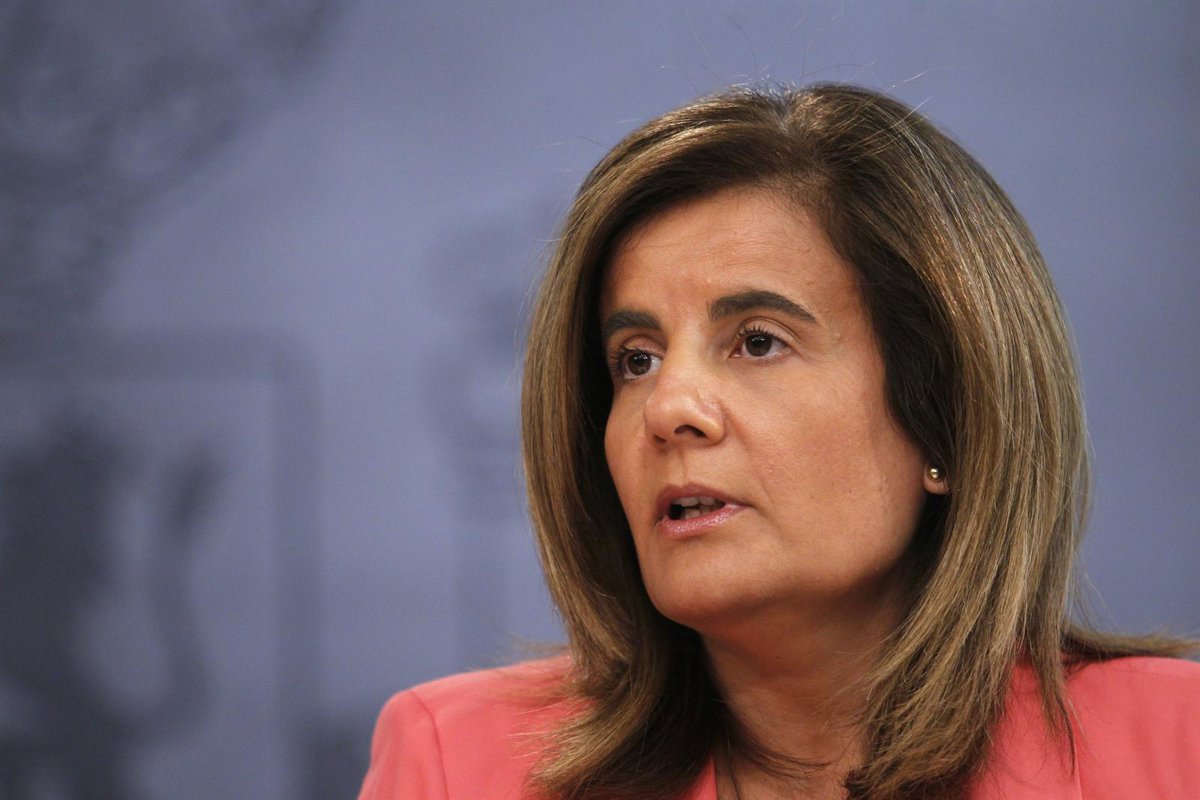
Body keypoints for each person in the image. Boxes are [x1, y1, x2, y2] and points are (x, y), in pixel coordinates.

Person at [357, 84, 1199, 800]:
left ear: (943, 415)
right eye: (635, 360)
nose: (669, 408)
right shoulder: (457, 763)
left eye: (758, 342)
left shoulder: (1176, 746)